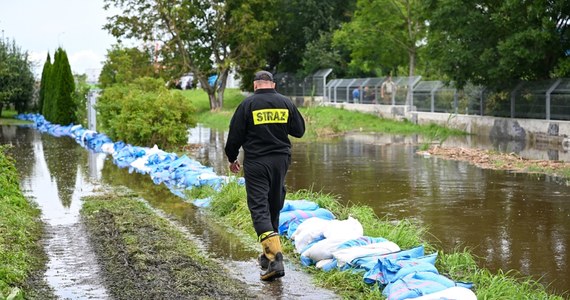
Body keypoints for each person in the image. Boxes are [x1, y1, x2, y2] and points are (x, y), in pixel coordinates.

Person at [224, 70, 305, 281]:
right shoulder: (286, 103)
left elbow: (234, 136)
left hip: (257, 162)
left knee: (259, 208)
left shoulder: (247, 105)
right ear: (274, 84)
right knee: (273, 203)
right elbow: (299, 131)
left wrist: (232, 158)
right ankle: (267, 255)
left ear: (255, 85)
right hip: (281, 161)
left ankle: (275, 259)